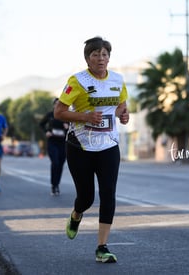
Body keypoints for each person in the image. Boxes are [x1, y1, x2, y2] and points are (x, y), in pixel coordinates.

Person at [54, 36, 130, 263]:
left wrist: (124, 115)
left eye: (104, 54)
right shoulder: (77, 81)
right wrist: (85, 116)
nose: (101, 58)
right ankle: (76, 215)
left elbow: (122, 105)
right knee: (86, 197)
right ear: (88, 58)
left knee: (108, 194)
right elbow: (59, 112)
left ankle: (102, 247)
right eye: (95, 54)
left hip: (108, 145)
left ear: (109, 57)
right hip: (80, 146)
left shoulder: (117, 79)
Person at [39, 98, 69, 196]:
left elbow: (74, 126)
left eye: (59, 104)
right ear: (53, 105)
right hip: (52, 142)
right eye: (56, 104)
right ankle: (53, 185)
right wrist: (46, 131)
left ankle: (57, 185)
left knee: (60, 164)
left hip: (63, 143)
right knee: (55, 162)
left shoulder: (66, 115)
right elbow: (41, 124)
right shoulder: (50, 115)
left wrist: (68, 127)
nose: (57, 105)